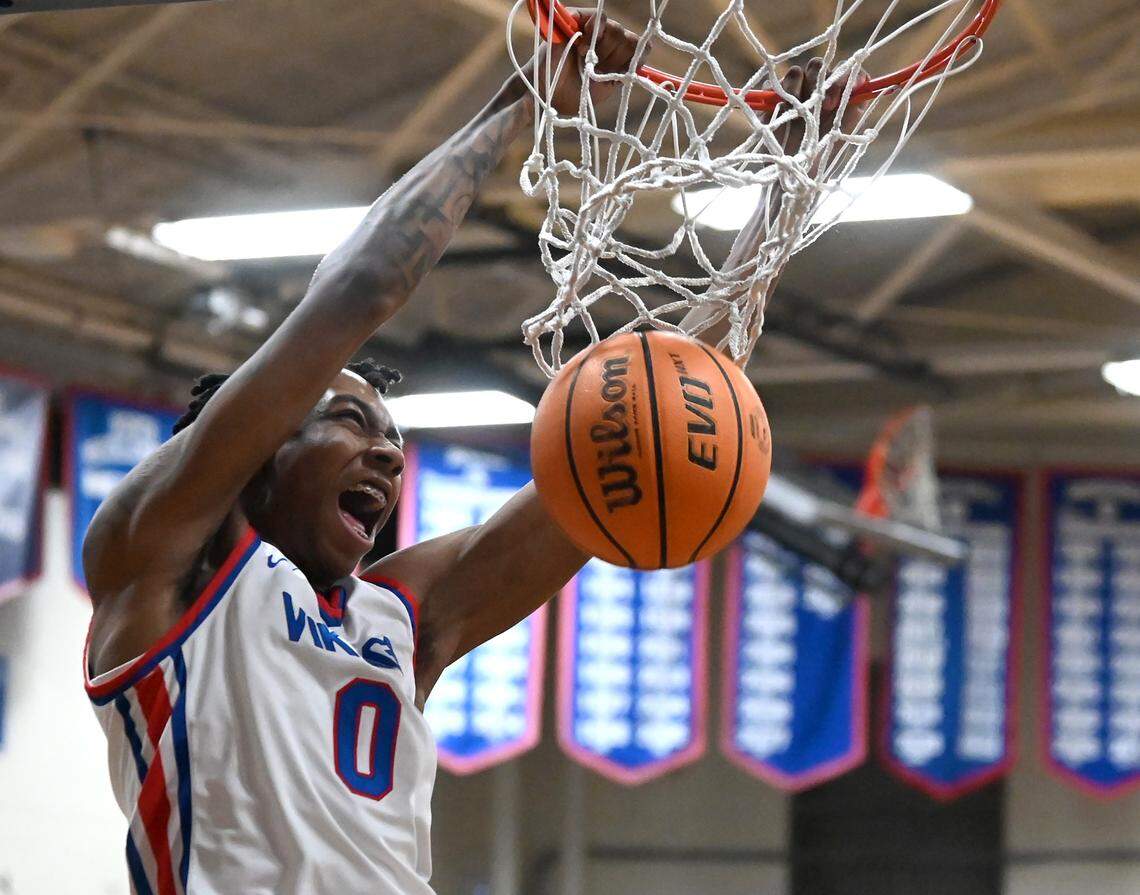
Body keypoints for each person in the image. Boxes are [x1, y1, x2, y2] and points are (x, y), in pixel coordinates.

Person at [81, 7, 857, 890]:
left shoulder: (402, 618)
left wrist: (790, 190)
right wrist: (528, 98)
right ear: (256, 444)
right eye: (349, 421)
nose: (386, 454)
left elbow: (651, 432)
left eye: (395, 439)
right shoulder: (155, 563)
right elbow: (365, 286)